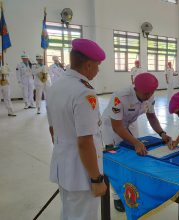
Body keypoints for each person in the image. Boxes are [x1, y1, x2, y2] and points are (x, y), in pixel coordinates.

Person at [46, 38, 107, 220]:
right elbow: (85, 141)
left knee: (69, 213)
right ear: (88, 65)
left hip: (63, 165)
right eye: (98, 65)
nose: (98, 69)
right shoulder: (84, 92)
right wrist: (96, 179)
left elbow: (52, 129)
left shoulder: (56, 86)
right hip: (82, 172)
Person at [102, 72, 172, 212]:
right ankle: (117, 197)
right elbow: (117, 126)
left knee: (136, 156)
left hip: (130, 123)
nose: (149, 95)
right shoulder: (120, 97)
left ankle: (133, 188)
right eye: (146, 93)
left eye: (151, 92)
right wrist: (135, 142)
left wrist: (162, 133)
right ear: (136, 88)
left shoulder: (149, 95)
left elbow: (151, 116)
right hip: (112, 127)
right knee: (118, 160)